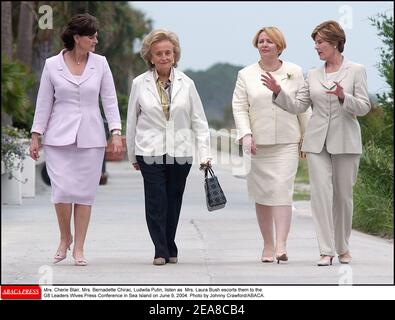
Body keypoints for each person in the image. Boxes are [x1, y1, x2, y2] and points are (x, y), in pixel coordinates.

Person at [262, 20, 371, 266]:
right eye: (315, 42)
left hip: (346, 141)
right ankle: (326, 250)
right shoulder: (312, 74)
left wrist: (345, 97)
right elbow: (299, 105)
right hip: (316, 143)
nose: (316, 47)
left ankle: (343, 247)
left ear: (335, 43)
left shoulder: (356, 70)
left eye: (320, 42)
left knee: (343, 197)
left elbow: (364, 107)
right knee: (320, 196)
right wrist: (279, 92)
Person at [29, 13, 123, 266]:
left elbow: (109, 100)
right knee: (61, 192)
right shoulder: (52, 65)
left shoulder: (101, 64)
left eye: (95, 36)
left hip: (91, 139)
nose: (95, 40)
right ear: (76, 37)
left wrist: (115, 132)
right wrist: (35, 135)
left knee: (84, 194)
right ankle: (64, 238)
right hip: (58, 138)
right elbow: (44, 103)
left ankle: (79, 247)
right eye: (91, 36)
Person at [126, 29, 211, 266]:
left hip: (180, 152)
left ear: (174, 55)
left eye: (168, 53)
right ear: (151, 58)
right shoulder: (139, 84)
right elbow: (132, 121)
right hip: (148, 151)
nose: (164, 57)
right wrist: (132, 154)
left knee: (173, 200)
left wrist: (205, 155)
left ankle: (169, 243)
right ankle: (160, 250)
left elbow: (200, 122)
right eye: (158, 53)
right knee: (156, 200)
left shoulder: (188, 83)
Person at [232, 27, 312, 264]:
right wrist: (246, 134)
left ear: (279, 46)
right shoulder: (246, 74)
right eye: (261, 41)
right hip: (259, 144)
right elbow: (239, 107)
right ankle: (267, 244)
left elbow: (303, 106)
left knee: (281, 190)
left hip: (287, 141)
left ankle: (281, 245)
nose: (264, 44)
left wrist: (307, 138)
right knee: (263, 194)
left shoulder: (294, 72)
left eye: (269, 41)